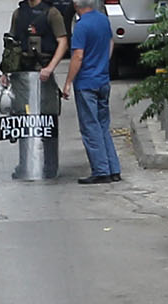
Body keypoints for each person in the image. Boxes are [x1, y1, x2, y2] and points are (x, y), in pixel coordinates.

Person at [3, 0, 68, 179]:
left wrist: (50, 68)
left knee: (47, 118)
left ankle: (50, 166)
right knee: (23, 121)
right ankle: (25, 164)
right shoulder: (18, 13)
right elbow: (11, 44)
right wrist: (5, 72)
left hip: (43, 74)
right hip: (22, 74)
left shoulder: (52, 13)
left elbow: (62, 42)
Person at [67, 0, 120, 184]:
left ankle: (101, 170)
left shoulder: (81, 26)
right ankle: (114, 169)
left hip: (86, 83)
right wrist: (103, 63)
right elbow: (110, 42)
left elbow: (78, 56)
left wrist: (68, 82)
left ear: (76, 4)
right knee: (103, 125)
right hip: (103, 80)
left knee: (90, 127)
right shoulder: (102, 20)